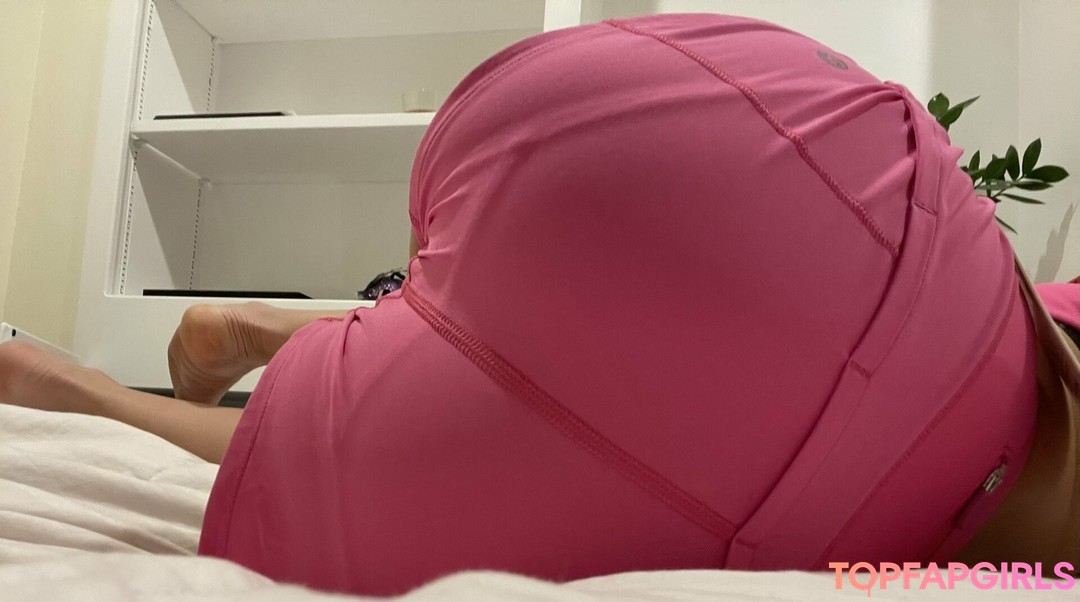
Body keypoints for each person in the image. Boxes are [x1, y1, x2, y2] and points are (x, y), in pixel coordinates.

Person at [0, 13, 1078, 597]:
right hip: (848, 445)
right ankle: (102, 396)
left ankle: (317, 332)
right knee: (494, 440)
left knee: (544, 369)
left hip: (798, 132)